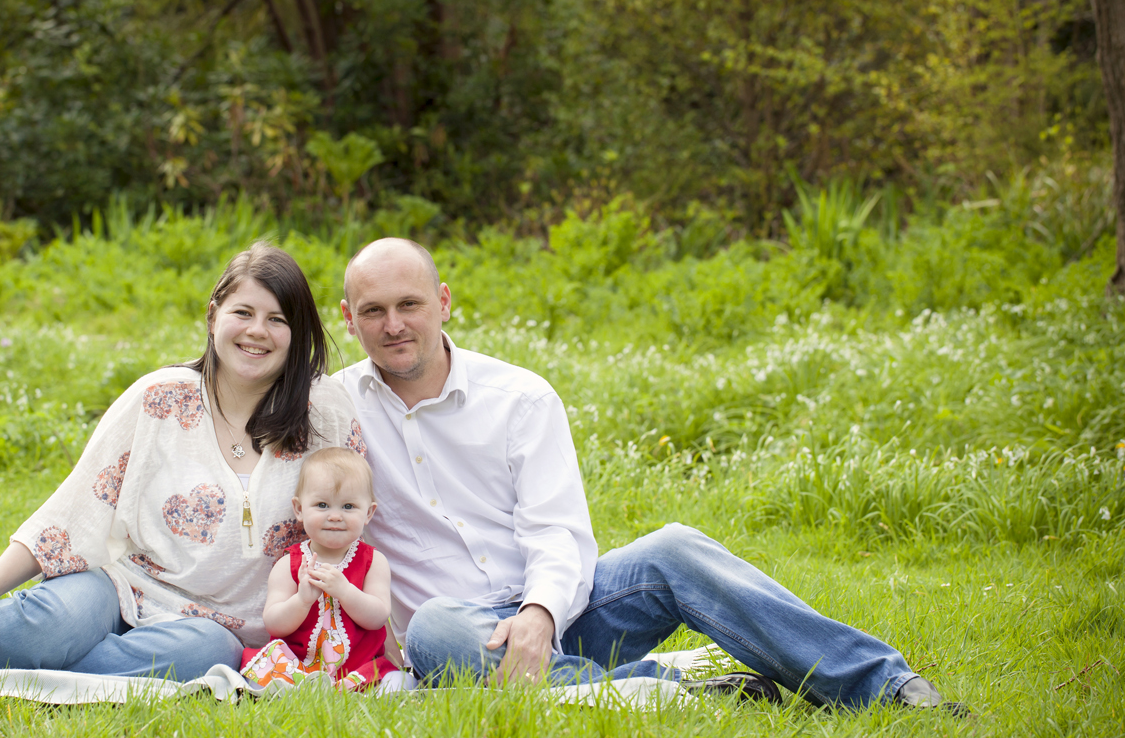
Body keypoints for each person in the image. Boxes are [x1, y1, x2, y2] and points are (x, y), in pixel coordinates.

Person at [335, 237, 959, 710]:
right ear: (347, 318)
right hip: (459, 636)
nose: (394, 325)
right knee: (434, 627)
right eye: (374, 311)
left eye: (409, 304)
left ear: (443, 302)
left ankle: (884, 685)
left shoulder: (520, 397)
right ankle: (677, 690)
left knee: (675, 549)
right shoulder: (333, 410)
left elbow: (557, 532)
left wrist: (539, 615)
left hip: (563, 618)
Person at [0, 242, 367, 693]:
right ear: (213, 316)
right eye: (242, 313)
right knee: (54, 621)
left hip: (217, 631)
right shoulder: (157, 400)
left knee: (207, 653)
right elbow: (74, 507)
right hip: (125, 588)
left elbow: (363, 517)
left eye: (277, 319)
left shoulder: (325, 415)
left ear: (296, 334)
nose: (257, 331)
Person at [240, 447, 398, 691]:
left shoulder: (373, 562)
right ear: (299, 509)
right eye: (322, 505)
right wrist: (302, 601)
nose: (335, 516)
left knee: (395, 682)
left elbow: (377, 618)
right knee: (261, 673)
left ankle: (360, 692)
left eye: (348, 507)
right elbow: (273, 623)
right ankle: (289, 691)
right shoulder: (289, 564)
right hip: (298, 666)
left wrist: (345, 592)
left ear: (368, 513)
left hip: (358, 664)